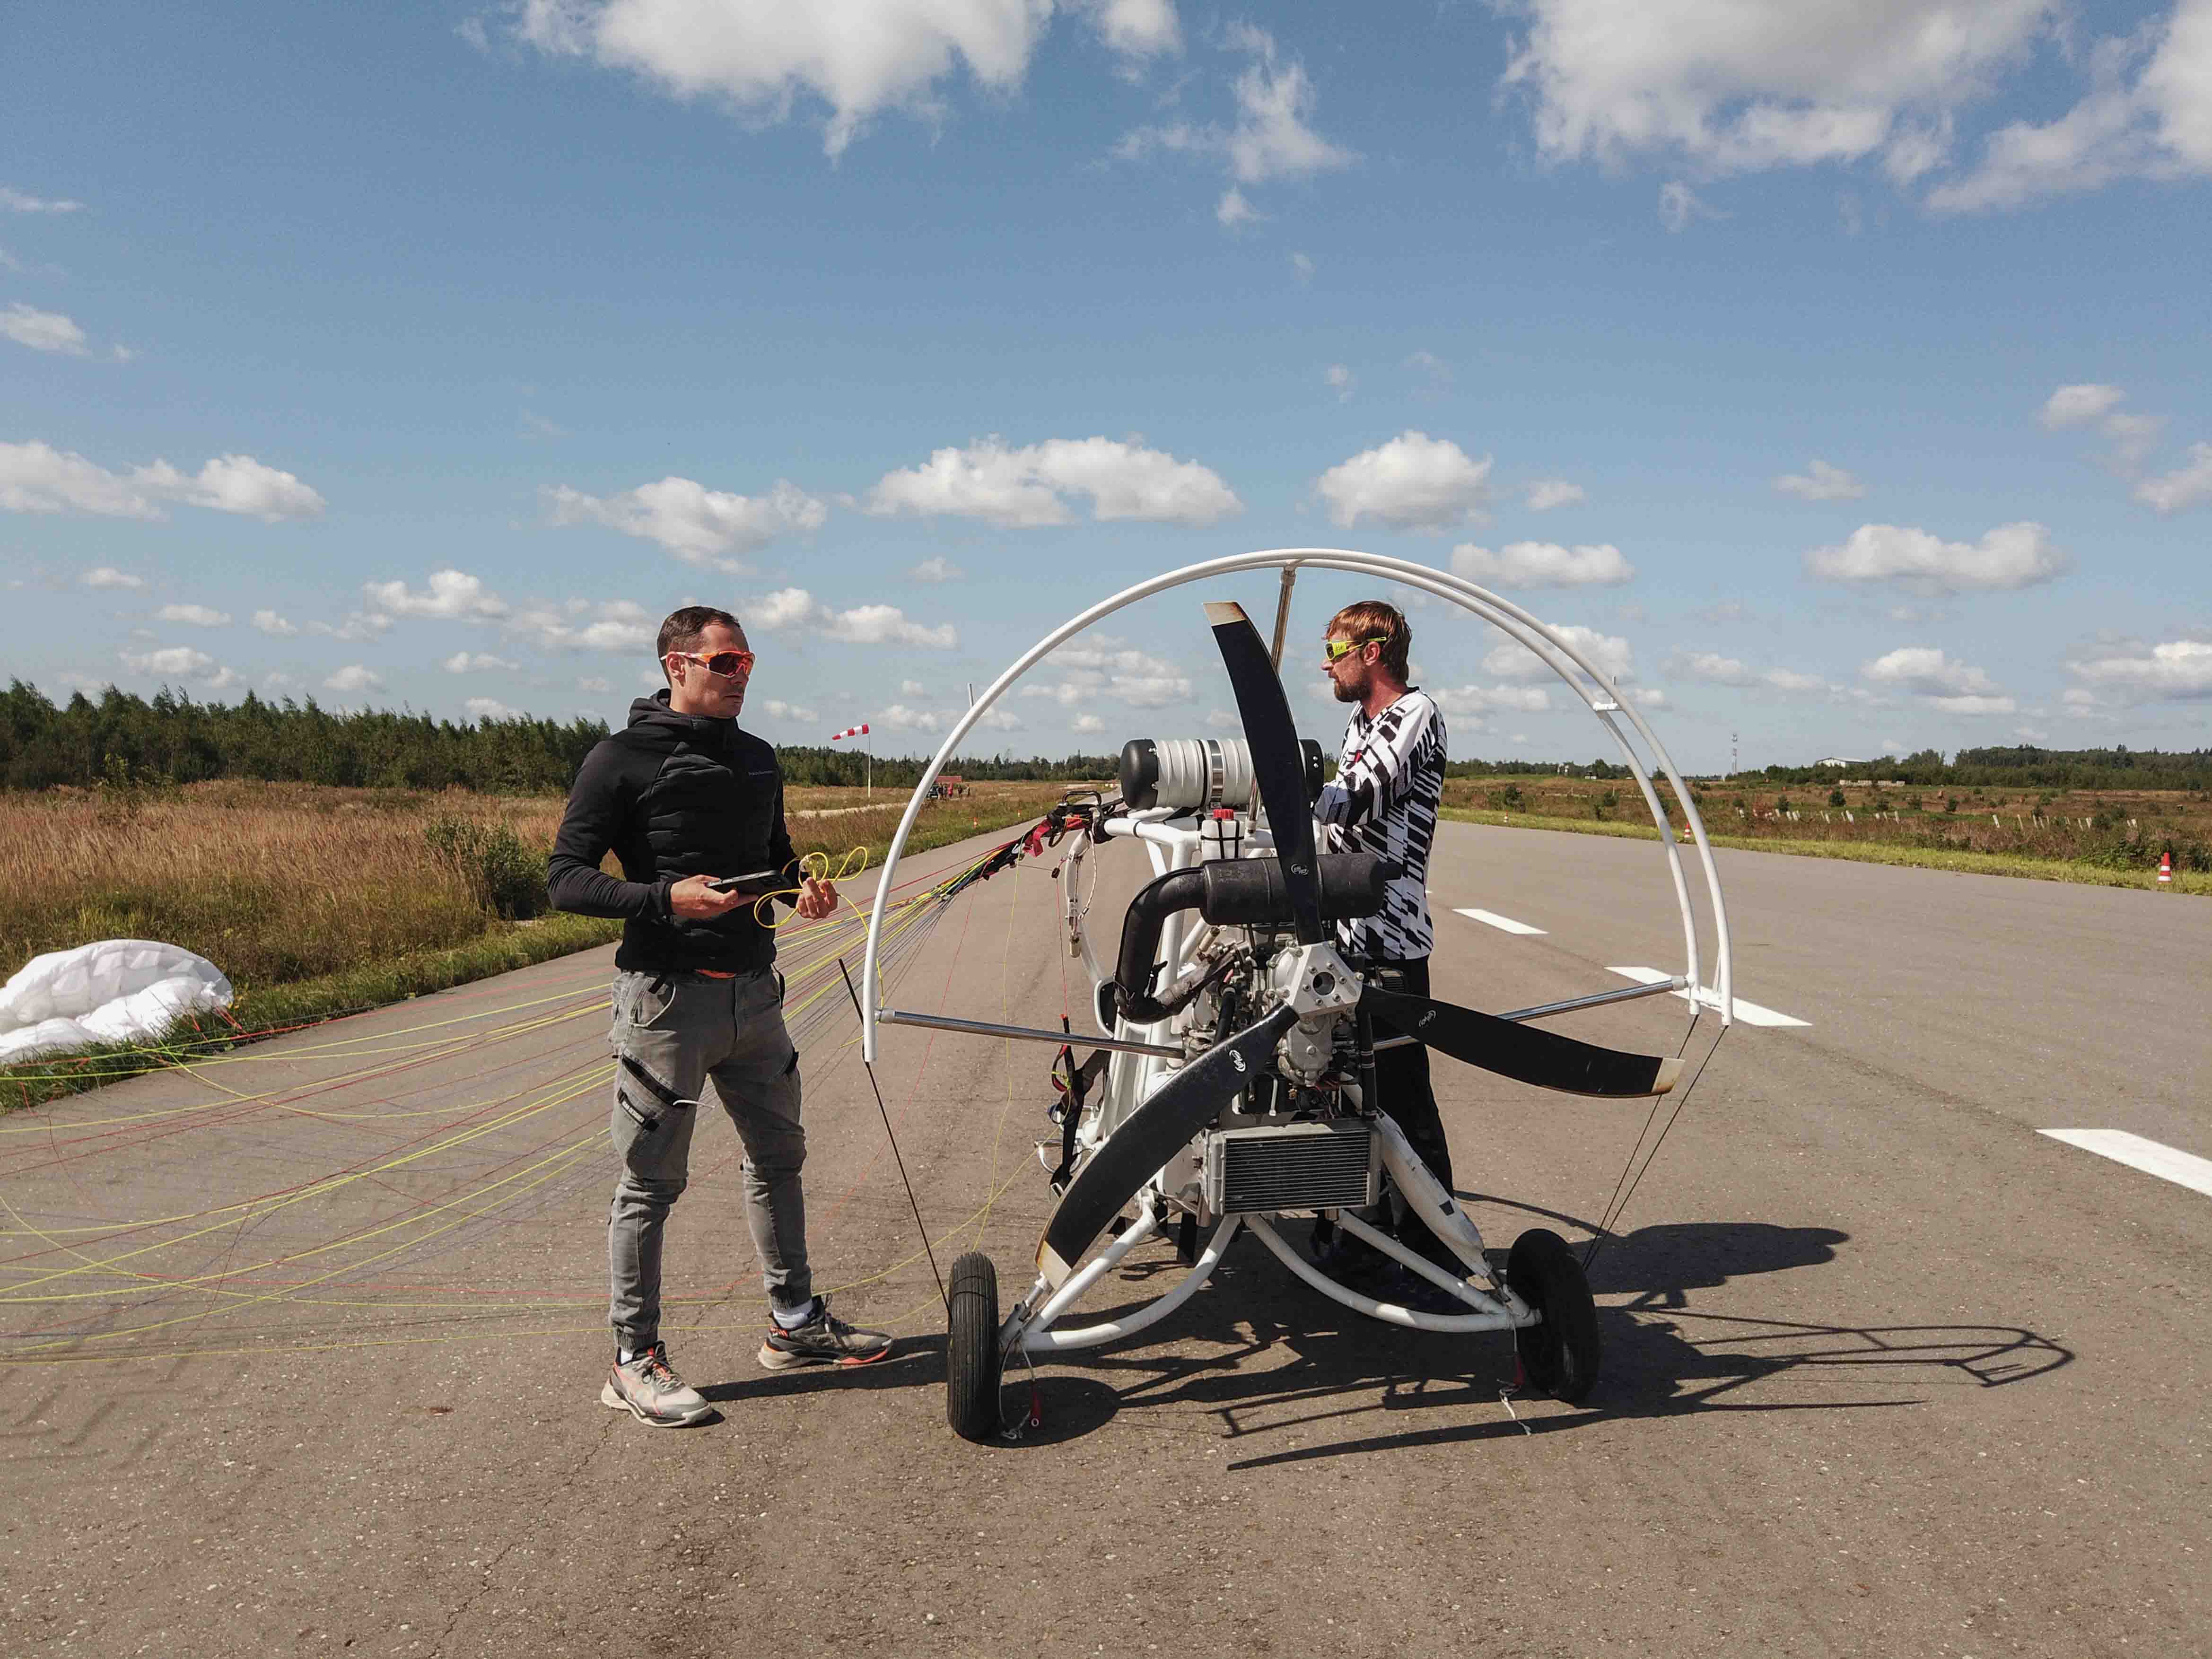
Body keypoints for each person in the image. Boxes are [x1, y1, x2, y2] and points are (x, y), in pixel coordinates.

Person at [549, 604, 891, 1428]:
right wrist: (664, 898)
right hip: (666, 1003)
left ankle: (794, 1324)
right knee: (651, 1183)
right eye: (725, 663)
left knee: (779, 1158)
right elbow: (565, 878)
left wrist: (802, 890)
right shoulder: (619, 759)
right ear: (677, 666)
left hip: (755, 995)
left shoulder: (757, 757)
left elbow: (775, 862)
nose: (741, 677)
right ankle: (633, 1360)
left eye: (748, 663)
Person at [1311, 600, 1456, 1276]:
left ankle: (1435, 1254)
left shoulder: (1414, 715)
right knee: (1339, 1092)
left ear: (1372, 653)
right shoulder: (1359, 723)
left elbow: (1354, 799)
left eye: (1334, 652)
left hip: (1390, 940)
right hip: (1345, 935)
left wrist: (1284, 781)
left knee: (1401, 1101)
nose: (1327, 666)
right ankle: (1362, 1233)